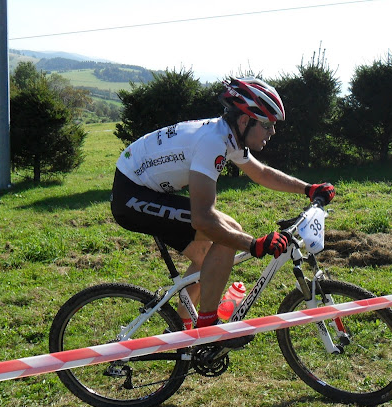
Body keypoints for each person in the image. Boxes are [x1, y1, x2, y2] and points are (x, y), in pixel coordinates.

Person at [110, 77, 336, 341]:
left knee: (209, 256)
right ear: (245, 120)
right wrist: (254, 244)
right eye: (267, 125)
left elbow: (261, 173)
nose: (272, 132)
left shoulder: (228, 136)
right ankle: (208, 327)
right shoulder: (213, 143)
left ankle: (181, 329)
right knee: (226, 233)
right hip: (132, 196)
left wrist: (308, 189)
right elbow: (203, 218)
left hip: (144, 188)